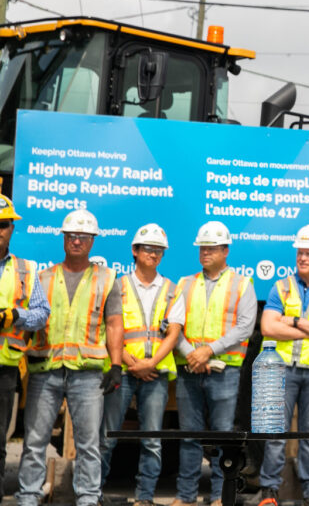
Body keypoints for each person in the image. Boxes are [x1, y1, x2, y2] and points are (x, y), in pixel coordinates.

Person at [17, 209, 125, 506]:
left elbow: (115, 323)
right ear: (64, 239)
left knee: (89, 444)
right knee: (35, 441)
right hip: (45, 369)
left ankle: (88, 498)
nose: (77, 241)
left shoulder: (108, 278)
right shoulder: (43, 277)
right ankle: (28, 497)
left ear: (92, 241)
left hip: (88, 374)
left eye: (83, 237)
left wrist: (115, 365)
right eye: (72, 236)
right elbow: (28, 322)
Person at [171, 221, 256, 506]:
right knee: (189, 437)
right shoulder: (185, 283)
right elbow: (173, 325)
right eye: (202, 248)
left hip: (225, 371)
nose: (205, 252)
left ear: (225, 250)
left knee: (223, 439)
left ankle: (220, 496)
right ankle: (185, 497)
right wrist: (191, 354)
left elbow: (245, 327)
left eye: (211, 248)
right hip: (190, 370)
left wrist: (208, 350)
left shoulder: (242, 284)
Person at [100, 223, 184, 506]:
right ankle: (92, 493)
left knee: (152, 440)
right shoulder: (118, 286)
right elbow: (109, 327)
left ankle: (145, 498)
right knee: (108, 436)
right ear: (135, 251)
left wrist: (150, 363)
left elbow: (174, 332)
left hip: (155, 373)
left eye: (159, 249)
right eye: (149, 248)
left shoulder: (172, 289)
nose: (154, 254)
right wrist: (128, 361)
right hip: (122, 369)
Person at [257, 225, 309, 506]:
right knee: (275, 432)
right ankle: (269, 491)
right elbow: (268, 326)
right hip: (280, 368)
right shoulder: (281, 287)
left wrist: (292, 321)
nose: (302, 258)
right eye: (299, 253)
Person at [0, 194, 50, 502]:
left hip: (5, 369)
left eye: (4, 225)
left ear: (12, 230)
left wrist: (16, 316)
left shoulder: (25, 270)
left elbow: (42, 313)